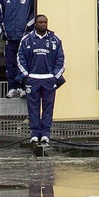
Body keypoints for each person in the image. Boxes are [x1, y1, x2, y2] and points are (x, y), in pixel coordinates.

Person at [17, 14, 65, 144]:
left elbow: (61, 60)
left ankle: (45, 134)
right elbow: (20, 58)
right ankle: (34, 133)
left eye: (45, 22)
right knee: (33, 108)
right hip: (32, 79)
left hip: (49, 79)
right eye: (40, 22)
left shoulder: (55, 39)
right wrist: (26, 76)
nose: (43, 24)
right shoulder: (26, 39)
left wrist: (55, 76)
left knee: (48, 108)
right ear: (35, 24)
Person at [0, 0, 37, 98]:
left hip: (24, 36)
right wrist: (4, 29)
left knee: (24, 61)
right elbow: (0, 13)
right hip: (10, 36)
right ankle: (12, 88)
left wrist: (28, 28)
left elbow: (35, 12)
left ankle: (22, 87)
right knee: (10, 62)